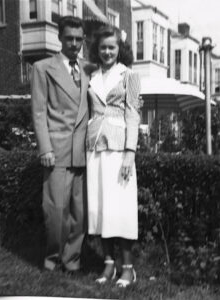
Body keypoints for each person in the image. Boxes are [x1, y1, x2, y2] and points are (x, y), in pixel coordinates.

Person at [31, 16, 94, 272]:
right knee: (56, 210)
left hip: (82, 150)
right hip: (56, 150)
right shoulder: (42, 67)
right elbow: (38, 112)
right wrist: (44, 147)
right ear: (59, 37)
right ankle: (52, 258)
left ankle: (72, 260)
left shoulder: (90, 68)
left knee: (79, 213)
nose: (75, 43)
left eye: (79, 39)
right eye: (69, 38)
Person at [86, 26, 141, 287]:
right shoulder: (92, 76)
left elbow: (133, 113)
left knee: (122, 210)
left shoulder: (129, 75)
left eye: (112, 47)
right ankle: (108, 265)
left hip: (120, 151)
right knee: (101, 209)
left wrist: (130, 152)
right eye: (103, 47)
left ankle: (128, 268)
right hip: (95, 148)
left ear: (120, 49)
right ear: (97, 50)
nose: (107, 51)